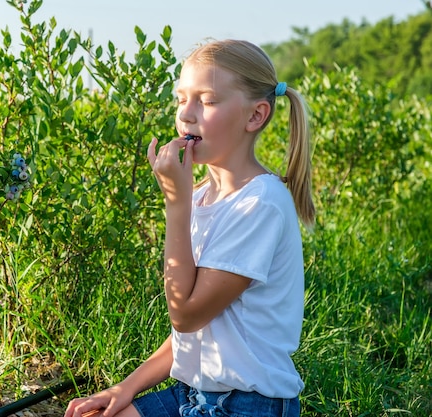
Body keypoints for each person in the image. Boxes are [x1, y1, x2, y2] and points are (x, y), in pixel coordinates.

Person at [64, 39, 315, 417]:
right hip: (192, 393)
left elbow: (187, 313)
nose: (187, 114)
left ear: (255, 116)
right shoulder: (201, 197)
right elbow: (192, 332)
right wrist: (125, 388)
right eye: (182, 99)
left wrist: (175, 204)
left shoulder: (259, 204)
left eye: (207, 100)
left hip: (248, 404)